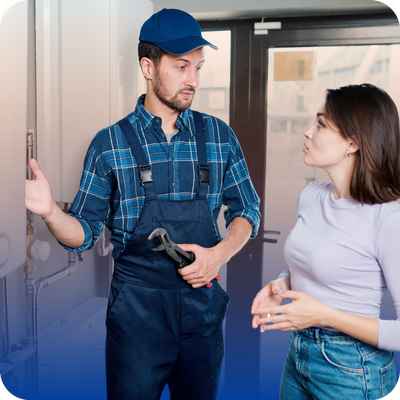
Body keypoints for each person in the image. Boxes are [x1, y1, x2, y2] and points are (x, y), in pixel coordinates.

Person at [26, 8, 260, 400]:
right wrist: (51, 212)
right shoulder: (109, 144)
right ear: (148, 67)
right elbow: (82, 234)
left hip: (202, 314)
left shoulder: (219, 136)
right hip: (136, 320)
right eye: (182, 67)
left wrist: (219, 254)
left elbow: (247, 210)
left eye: (198, 68)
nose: (193, 80)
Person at [251, 84, 400, 399]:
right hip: (300, 354)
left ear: (353, 142)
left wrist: (323, 314)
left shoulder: (389, 218)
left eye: (320, 124)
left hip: (353, 367)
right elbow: (321, 269)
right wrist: (281, 285)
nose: (307, 132)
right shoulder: (311, 196)